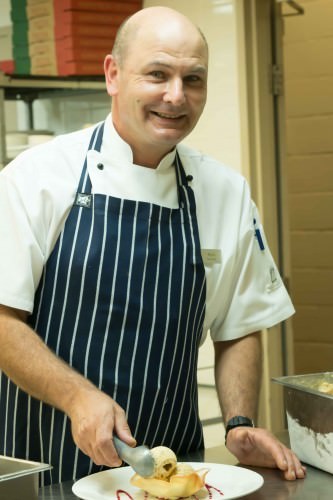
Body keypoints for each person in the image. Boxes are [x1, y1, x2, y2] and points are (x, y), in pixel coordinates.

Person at [0, 6, 306, 486]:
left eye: (194, 79)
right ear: (113, 74)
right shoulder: (36, 178)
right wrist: (79, 397)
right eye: (157, 74)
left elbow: (239, 324)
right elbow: (3, 320)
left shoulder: (224, 192)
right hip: (46, 467)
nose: (176, 96)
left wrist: (239, 422)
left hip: (170, 474)